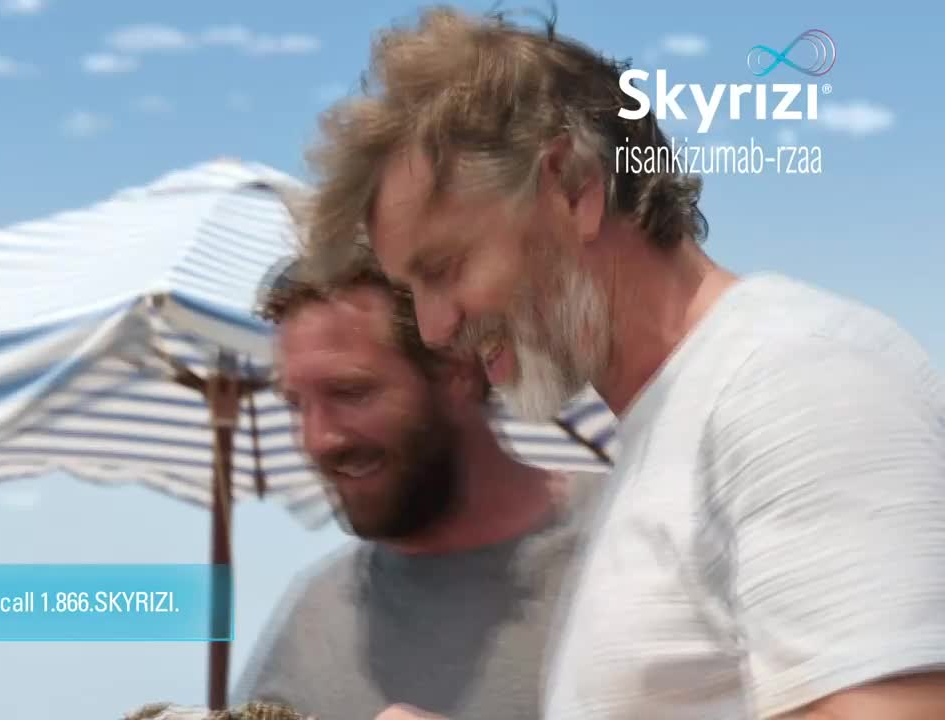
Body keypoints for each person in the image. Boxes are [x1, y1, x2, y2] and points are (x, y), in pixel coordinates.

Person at [300, 7, 945, 720]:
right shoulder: (668, 432)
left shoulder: (793, 381)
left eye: (446, 266)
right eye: (412, 291)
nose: (434, 327)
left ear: (573, 186)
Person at [229, 249, 602, 720]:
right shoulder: (314, 624)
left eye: (350, 392)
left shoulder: (630, 533)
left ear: (458, 370)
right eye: (296, 404)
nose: (317, 440)